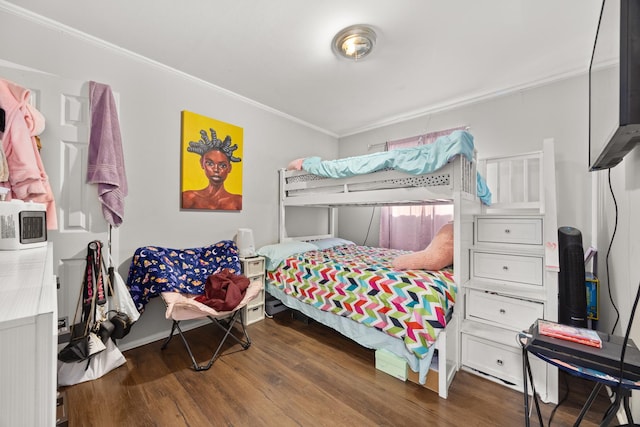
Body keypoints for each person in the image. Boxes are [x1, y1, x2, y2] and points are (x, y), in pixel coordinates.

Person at [181, 128, 242, 210]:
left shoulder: (238, 201)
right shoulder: (188, 198)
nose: (216, 169)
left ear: (229, 168)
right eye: (210, 163)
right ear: (202, 163)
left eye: (222, 165)